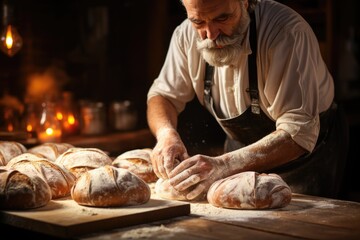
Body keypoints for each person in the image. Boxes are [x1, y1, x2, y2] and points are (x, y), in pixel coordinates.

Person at [146, 0, 348, 200]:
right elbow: (163, 96)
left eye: (222, 18)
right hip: (237, 155)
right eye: (198, 22)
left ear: (245, 2)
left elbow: (299, 131)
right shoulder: (186, 35)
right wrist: (166, 134)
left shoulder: (286, 32)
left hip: (307, 160)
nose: (211, 35)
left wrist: (224, 165)